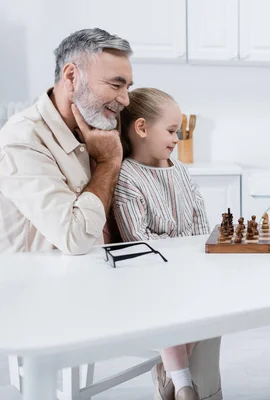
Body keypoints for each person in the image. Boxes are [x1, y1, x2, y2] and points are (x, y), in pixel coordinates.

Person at [113, 88, 221, 400]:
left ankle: (172, 371)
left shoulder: (181, 172)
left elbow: (200, 222)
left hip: (187, 267)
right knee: (174, 302)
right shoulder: (128, 177)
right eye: (172, 131)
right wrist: (184, 253)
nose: (177, 139)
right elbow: (139, 240)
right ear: (142, 128)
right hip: (150, 276)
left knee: (212, 300)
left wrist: (194, 254)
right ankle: (184, 383)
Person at [0, 28, 132, 253]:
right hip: (43, 285)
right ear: (72, 77)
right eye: (115, 85)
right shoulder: (23, 140)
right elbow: (76, 239)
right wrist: (108, 163)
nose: (125, 100)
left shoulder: (98, 128)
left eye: (128, 87)